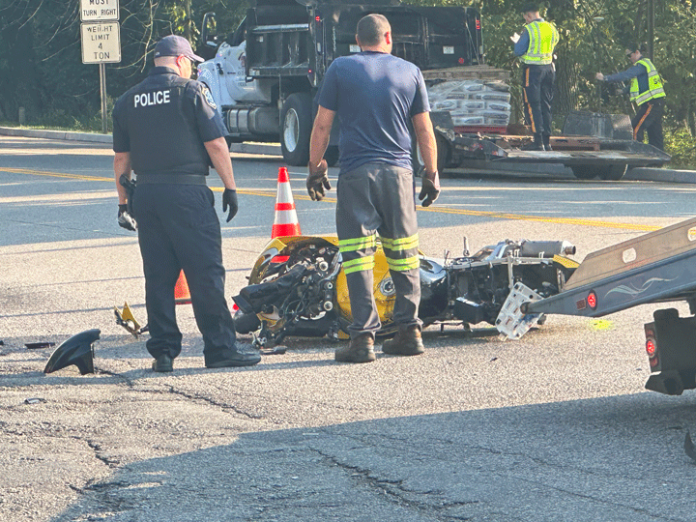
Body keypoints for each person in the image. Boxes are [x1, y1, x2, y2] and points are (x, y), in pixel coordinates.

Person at [112, 35, 260, 372]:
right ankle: (220, 349)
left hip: (146, 196)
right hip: (186, 194)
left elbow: (121, 158)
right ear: (180, 60)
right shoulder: (191, 92)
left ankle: (163, 352)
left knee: (158, 277)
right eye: (190, 63)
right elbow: (216, 143)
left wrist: (123, 204)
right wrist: (230, 187)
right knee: (205, 272)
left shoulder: (127, 100)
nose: (192, 69)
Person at [307, 13, 440, 364]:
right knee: (404, 253)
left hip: (357, 174)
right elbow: (424, 130)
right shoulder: (410, 71)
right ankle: (409, 331)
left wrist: (315, 167)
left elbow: (322, 125)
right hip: (399, 174)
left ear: (357, 40)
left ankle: (363, 339)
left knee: (357, 256)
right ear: (388, 37)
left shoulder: (341, 68)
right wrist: (431, 173)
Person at [596, 44, 666, 150]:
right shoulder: (646, 65)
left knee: (635, 128)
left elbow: (626, 75)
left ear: (637, 52)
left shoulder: (641, 65)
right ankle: (658, 157)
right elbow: (638, 85)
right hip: (656, 103)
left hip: (651, 104)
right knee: (655, 133)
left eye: (630, 55)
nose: (629, 58)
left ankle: (635, 154)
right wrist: (623, 91)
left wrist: (605, 78)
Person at [511, 3, 559, 151]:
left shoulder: (529, 29)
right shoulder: (551, 28)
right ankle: (547, 142)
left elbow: (518, 51)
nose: (526, 20)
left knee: (533, 105)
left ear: (529, 15)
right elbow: (554, 44)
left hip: (532, 70)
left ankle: (537, 142)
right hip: (549, 69)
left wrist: (517, 41)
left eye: (526, 18)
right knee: (546, 105)